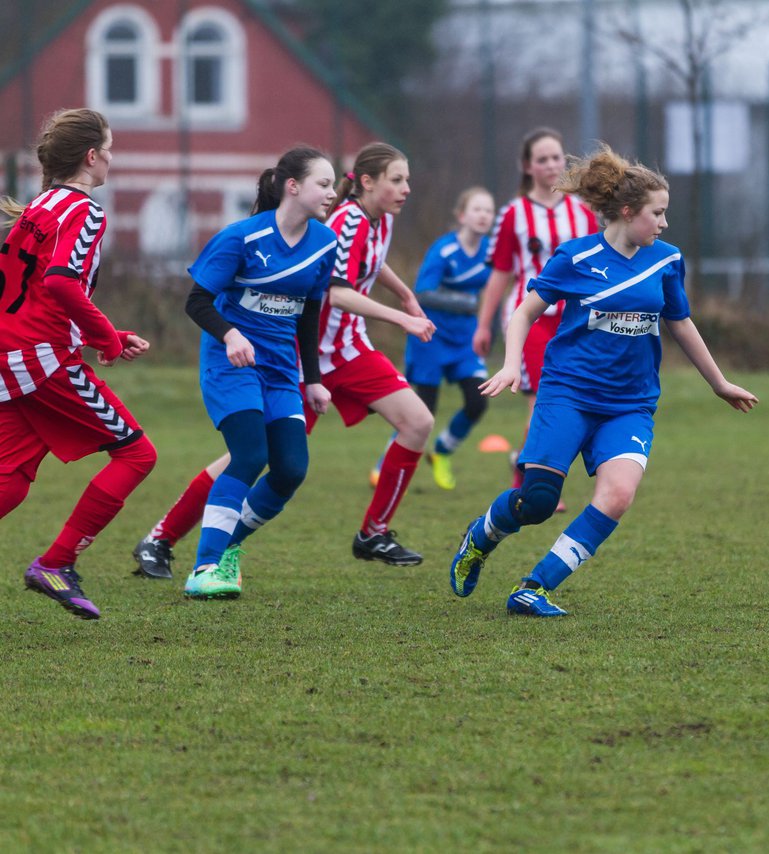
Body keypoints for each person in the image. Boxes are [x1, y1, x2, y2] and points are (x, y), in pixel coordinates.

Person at [449, 145, 757, 617]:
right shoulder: (575, 258)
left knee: (617, 496)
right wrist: (512, 365)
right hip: (567, 393)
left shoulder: (667, 261)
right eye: (658, 213)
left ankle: (535, 587)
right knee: (536, 502)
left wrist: (718, 383)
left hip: (630, 403)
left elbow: (681, 323)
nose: (664, 223)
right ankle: (481, 536)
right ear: (629, 212)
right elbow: (525, 311)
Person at [133, 142, 434, 581]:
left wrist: (404, 294)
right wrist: (402, 316)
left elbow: (341, 283)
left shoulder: (364, 226)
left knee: (307, 460)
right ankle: (177, 543)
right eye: (397, 179)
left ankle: (371, 531)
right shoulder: (329, 224)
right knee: (248, 455)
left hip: (325, 357)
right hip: (305, 355)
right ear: (367, 182)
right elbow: (335, 290)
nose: (406, 188)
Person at [0, 108, 156, 619]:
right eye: (109, 148)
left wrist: (108, 334)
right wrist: (105, 342)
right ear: (91, 157)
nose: (112, 158)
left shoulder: (41, 205)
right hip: (45, 362)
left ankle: (57, 563)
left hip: (12, 356)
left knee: (11, 480)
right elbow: (61, 284)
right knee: (137, 455)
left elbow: (37, 296)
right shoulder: (84, 211)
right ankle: (56, 563)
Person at [180, 145, 339, 599]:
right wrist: (231, 335)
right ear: (293, 187)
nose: (331, 193)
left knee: (290, 469)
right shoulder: (241, 238)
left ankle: (227, 547)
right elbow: (196, 302)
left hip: (281, 372)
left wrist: (313, 379)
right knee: (249, 455)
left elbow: (309, 315)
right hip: (231, 365)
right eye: (323, 184)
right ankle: (204, 569)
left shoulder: (325, 243)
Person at [473, 128, 597, 507]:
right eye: (542, 159)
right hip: (533, 322)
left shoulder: (582, 212)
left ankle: (528, 472)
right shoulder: (514, 213)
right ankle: (530, 482)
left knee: (577, 399)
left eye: (556, 157)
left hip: (576, 322)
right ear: (527, 166)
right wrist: (484, 323)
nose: (551, 165)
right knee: (543, 401)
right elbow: (500, 273)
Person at [373, 186, 496, 491]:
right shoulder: (444, 250)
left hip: (465, 340)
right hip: (430, 336)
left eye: (489, 210)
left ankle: (442, 451)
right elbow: (424, 293)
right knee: (422, 410)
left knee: (477, 402)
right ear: (462, 216)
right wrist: (466, 303)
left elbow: (503, 280)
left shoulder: (490, 252)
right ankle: (385, 463)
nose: (484, 215)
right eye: (477, 209)